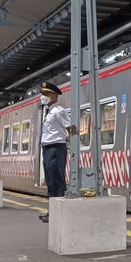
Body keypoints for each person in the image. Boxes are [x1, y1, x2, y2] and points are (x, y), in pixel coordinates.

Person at [38, 81, 72, 223]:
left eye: (46, 94)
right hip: (48, 148)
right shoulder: (48, 111)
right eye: (43, 94)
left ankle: (60, 212)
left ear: (53, 95)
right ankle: (53, 210)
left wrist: (73, 144)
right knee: (51, 181)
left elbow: (71, 127)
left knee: (57, 180)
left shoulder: (59, 111)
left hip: (57, 148)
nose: (43, 97)